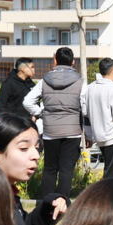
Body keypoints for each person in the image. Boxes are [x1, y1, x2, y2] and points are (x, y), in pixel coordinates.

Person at [24, 47, 88, 199]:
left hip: (50, 132)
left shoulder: (44, 81)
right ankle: (62, 203)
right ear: (73, 62)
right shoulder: (80, 82)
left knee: (50, 169)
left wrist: (41, 113)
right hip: (73, 132)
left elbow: (27, 102)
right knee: (66, 169)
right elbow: (85, 108)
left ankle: (47, 204)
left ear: (55, 60)